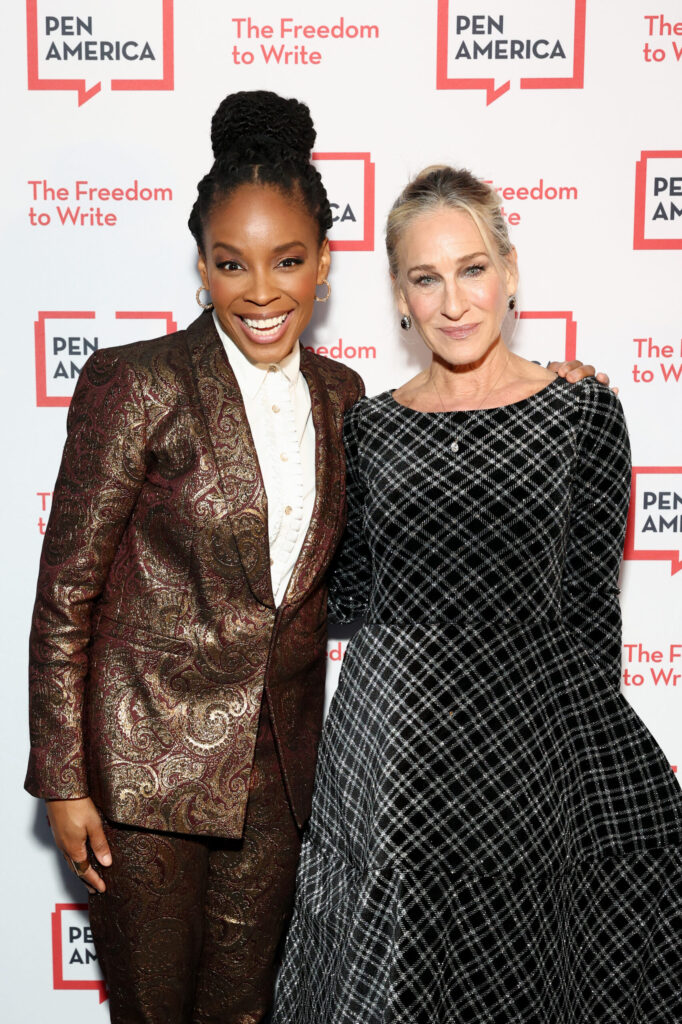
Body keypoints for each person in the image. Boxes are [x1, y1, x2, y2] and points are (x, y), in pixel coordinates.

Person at [25, 89, 602, 1021]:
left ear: (325, 265)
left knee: (252, 1012)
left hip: (284, 783)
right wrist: (62, 777)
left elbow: (382, 569)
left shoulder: (347, 400)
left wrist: (551, 396)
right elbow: (66, 596)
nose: (261, 291)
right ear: (203, 268)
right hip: (145, 772)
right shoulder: (136, 382)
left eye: (288, 261)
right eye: (231, 264)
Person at [273, 166, 682, 1023]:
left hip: (527, 752)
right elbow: (352, 590)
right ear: (399, 296)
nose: (454, 302)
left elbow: (589, 613)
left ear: (510, 271)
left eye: (472, 269)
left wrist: (579, 792)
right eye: (427, 278)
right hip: (396, 756)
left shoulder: (580, 414)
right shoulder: (368, 427)